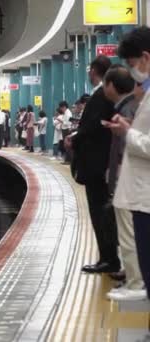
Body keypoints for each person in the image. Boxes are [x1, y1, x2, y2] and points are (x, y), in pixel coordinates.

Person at [69, 55, 121, 274]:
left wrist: (74, 138)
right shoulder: (103, 96)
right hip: (102, 164)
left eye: (89, 70)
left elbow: (92, 128)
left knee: (99, 211)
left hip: (97, 166)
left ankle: (108, 259)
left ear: (94, 71)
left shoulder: (100, 96)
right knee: (105, 212)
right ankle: (109, 258)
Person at [100, 64, 141, 300]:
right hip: (129, 177)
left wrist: (124, 131)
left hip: (131, 179)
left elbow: (136, 144)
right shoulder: (131, 106)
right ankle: (132, 277)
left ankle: (135, 282)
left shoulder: (132, 107)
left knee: (128, 231)